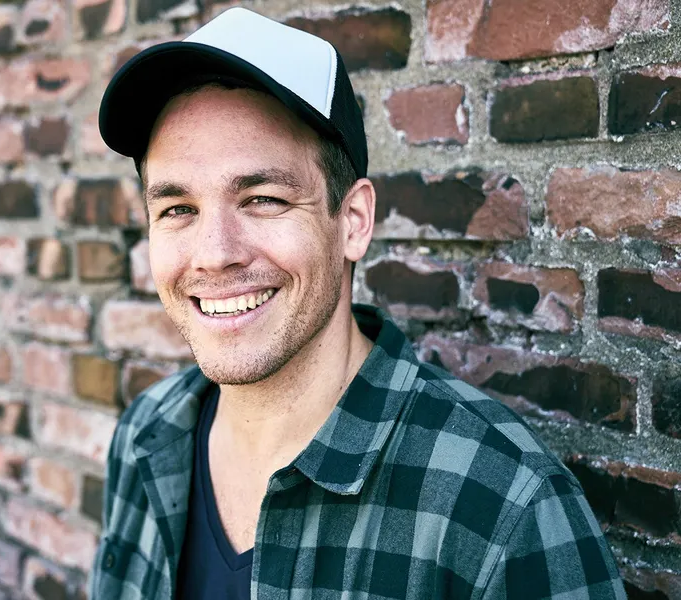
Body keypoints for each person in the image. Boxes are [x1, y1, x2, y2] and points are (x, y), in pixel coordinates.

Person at [90, 7, 625, 599]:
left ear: (353, 221)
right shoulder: (148, 435)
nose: (215, 255)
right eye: (177, 209)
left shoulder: (503, 504)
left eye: (264, 199)